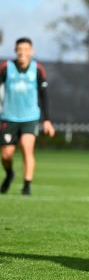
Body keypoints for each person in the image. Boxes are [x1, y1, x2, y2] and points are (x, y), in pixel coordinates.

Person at [0, 37, 55, 196]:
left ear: (32, 51)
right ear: (15, 51)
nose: (22, 52)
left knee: (26, 147)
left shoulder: (37, 69)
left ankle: (26, 185)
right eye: (19, 49)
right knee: (6, 154)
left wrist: (47, 120)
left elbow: (44, 95)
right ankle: (10, 173)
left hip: (30, 117)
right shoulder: (6, 67)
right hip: (8, 117)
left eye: (25, 49)